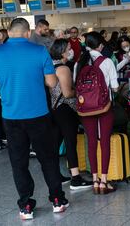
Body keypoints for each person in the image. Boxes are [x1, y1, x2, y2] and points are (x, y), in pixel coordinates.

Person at [0, 18, 68, 220]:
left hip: (11, 116)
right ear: (28, 33)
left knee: (18, 162)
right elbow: (52, 82)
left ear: (8, 33)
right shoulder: (39, 51)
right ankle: (57, 199)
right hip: (38, 115)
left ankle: (25, 206)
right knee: (48, 158)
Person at [75, 31, 119, 195]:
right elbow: (114, 88)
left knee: (91, 142)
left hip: (85, 109)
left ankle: (94, 180)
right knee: (104, 142)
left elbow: (76, 87)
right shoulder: (107, 62)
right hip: (104, 107)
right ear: (100, 45)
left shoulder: (79, 63)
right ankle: (104, 181)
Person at [49, 39, 93, 190]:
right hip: (66, 109)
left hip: (53, 109)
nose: (71, 49)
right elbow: (67, 93)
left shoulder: (49, 66)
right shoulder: (63, 69)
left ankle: (55, 175)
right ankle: (75, 178)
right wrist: (80, 91)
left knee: (55, 143)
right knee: (70, 142)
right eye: (68, 48)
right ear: (62, 51)